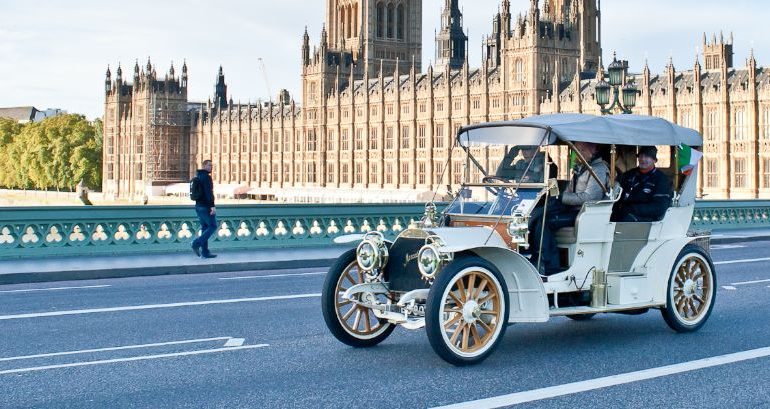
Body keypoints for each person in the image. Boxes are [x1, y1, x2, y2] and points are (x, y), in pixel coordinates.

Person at [529, 142, 610, 275]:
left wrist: (562, 197)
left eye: (581, 150)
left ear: (593, 149)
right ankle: (536, 256)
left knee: (546, 222)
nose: (577, 153)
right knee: (539, 215)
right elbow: (570, 190)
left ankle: (550, 265)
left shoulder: (598, 169)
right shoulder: (583, 167)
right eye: (576, 150)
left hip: (584, 212)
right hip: (571, 209)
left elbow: (590, 198)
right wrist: (558, 196)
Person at [613, 146, 672, 222]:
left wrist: (633, 209)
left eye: (647, 156)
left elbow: (659, 207)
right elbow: (617, 197)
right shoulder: (628, 175)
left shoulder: (661, 179)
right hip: (624, 213)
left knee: (627, 219)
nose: (643, 159)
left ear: (654, 160)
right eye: (641, 156)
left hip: (647, 219)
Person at [191, 159, 217, 259]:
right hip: (206, 206)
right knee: (213, 226)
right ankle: (196, 243)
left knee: (205, 228)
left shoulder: (198, 176)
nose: (211, 167)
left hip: (198, 206)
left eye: (212, 165)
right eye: (209, 165)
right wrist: (212, 206)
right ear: (204, 166)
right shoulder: (206, 177)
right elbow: (208, 193)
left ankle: (205, 252)